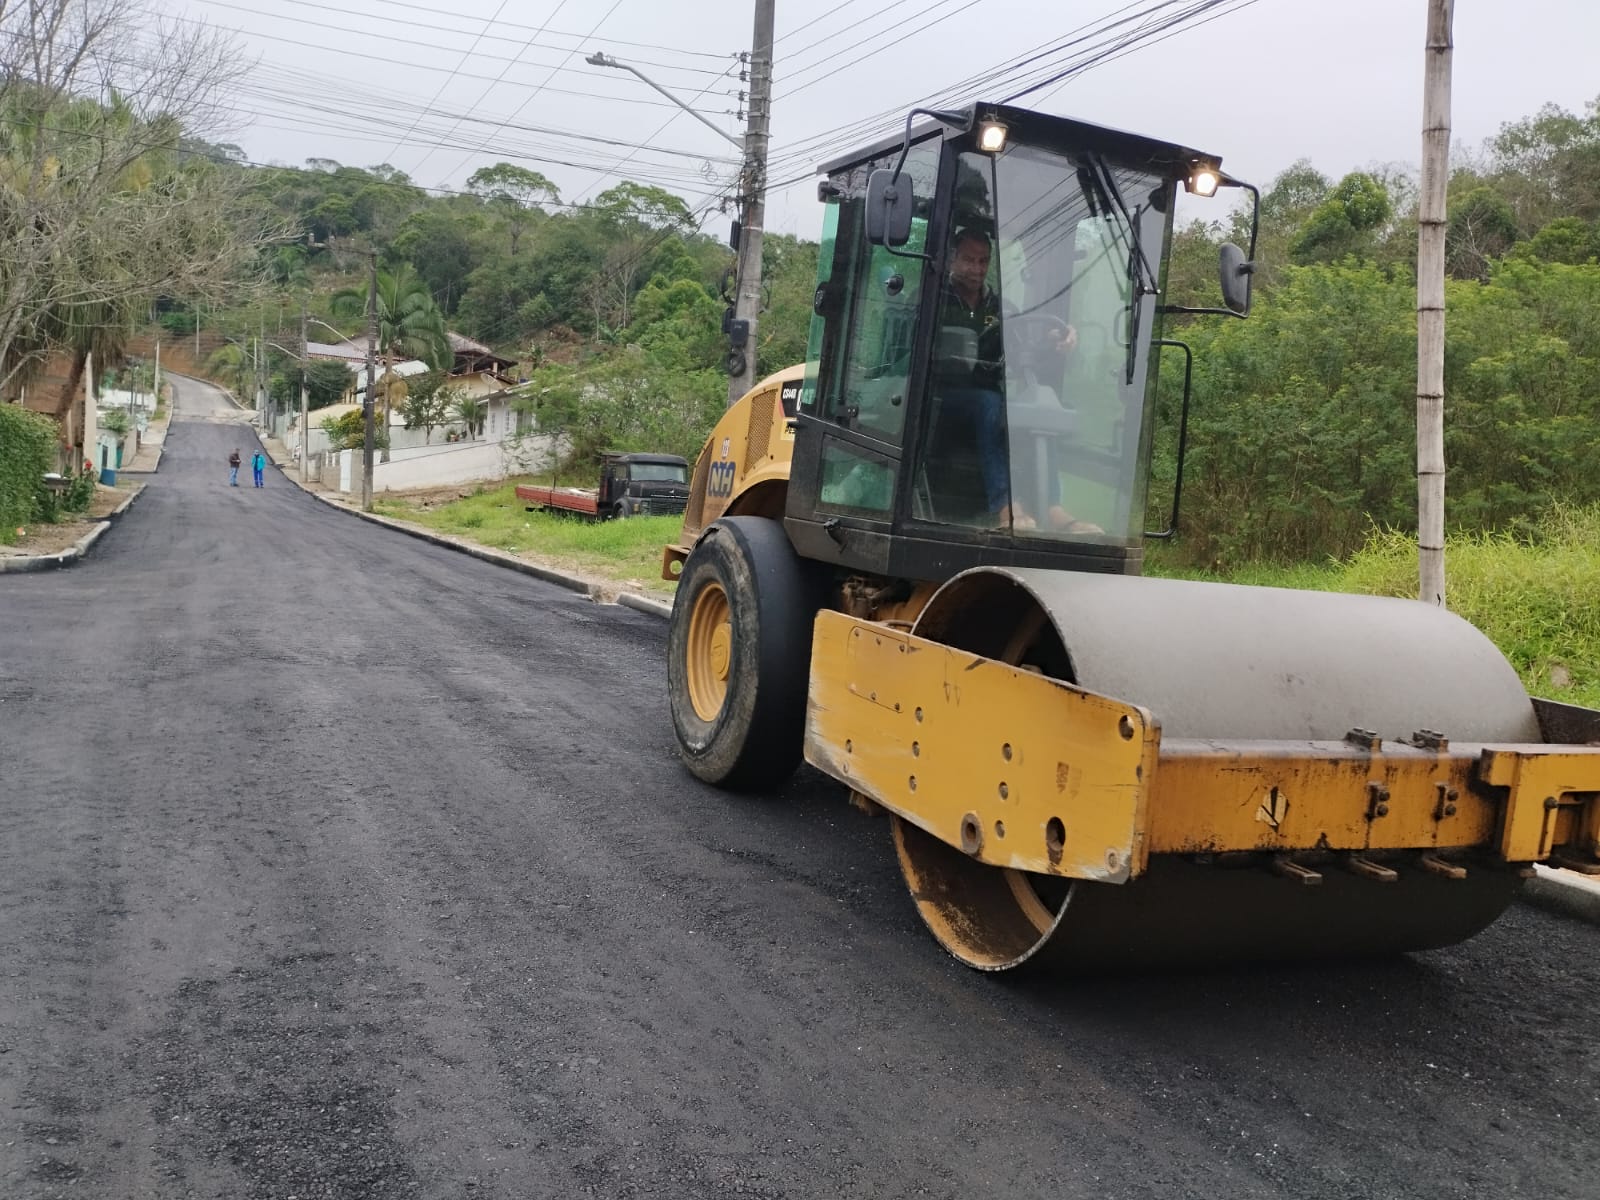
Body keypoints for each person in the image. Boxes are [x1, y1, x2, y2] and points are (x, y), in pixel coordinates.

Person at [932, 227, 1093, 532]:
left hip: (988, 402)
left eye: (983, 261)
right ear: (952, 259)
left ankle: (1052, 506)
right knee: (989, 403)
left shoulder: (1001, 307)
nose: (977, 269)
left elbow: (1021, 352)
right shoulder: (933, 299)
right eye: (969, 260)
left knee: (1043, 403)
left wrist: (1055, 341)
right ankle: (1007, 508)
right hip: (939, 401)